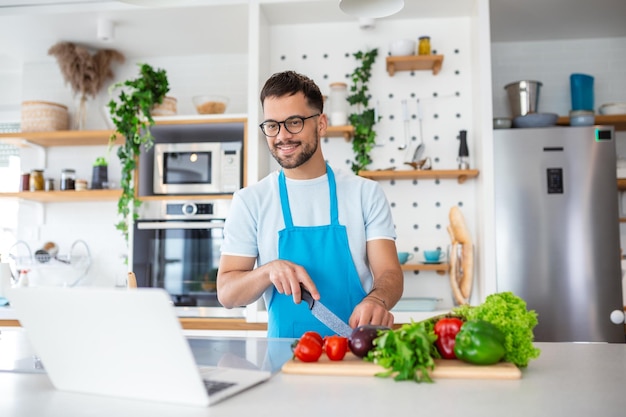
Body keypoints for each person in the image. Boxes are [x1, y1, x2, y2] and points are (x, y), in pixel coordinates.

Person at [217, 70, 403, 338]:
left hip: (355, 352)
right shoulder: (250, 201)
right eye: (272, 125)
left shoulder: (366, 193)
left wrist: (378, 300)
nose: (282, 136)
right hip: (284, 361)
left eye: (294, 122)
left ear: (321, 124)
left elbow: (389, 273)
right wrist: (268, 271)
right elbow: (227, 294)